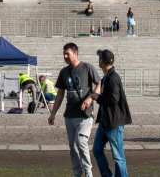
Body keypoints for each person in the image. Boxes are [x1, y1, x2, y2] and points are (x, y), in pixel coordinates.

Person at [49, 41, 102, 177]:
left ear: (76, 53)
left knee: (81, 142)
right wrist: (53, 113)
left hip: (85, 115)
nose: (65, 56)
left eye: (68, 54)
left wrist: (91, 98)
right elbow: (60, 94)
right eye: (64, 54)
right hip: (69, 116)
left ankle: (88, 172)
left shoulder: (87, 67)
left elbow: (100, 83)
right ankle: (77, 173)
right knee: (73, 148)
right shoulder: (64, 72)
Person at [92, 49, 131, 177]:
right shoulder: (107, 76)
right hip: (105, 121)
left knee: (118, 157)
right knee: (97, 150)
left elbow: (114, 99)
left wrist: (97, 97)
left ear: (102, 61)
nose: (98, 61)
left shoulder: (113, 77)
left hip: (113, 122)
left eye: (99, 58)